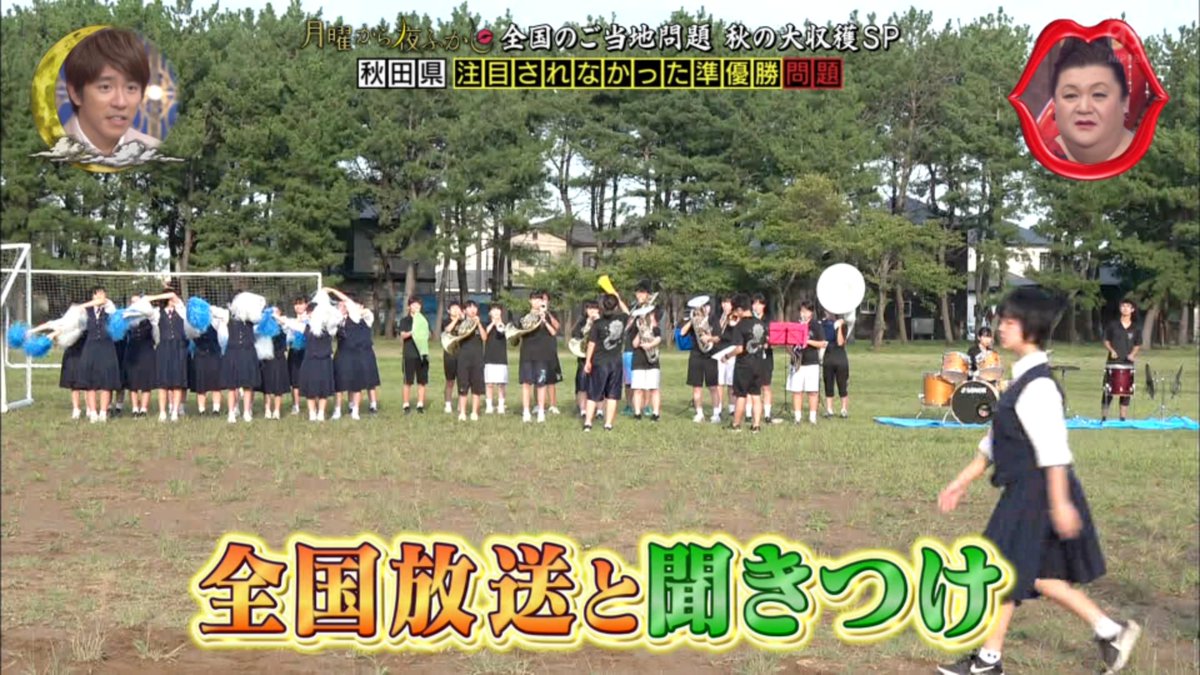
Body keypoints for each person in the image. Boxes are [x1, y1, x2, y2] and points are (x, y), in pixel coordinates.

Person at [936, 287, 1140, 675]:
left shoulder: (1040, 386)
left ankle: (988, 661)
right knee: (1039, 575)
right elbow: (993, 444)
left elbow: (1054, 451)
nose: (1001, 327)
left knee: (1002, 570)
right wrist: (959, 483)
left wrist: (1060, 504)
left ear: (1029, 328)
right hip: (1026, 492)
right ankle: (1111, 632)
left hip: (1039, 494)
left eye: (1009, 321)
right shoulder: (1020, 381)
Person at [61, 28, 161, 157]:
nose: (121, 103)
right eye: (105, 87)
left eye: (131, 88)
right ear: (75, 93)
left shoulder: (156, 152)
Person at [1049, 37, 1135, 165]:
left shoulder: (1146, 154)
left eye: (1098, 94)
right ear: (1055, 103)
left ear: (1125, 103)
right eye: (1070, 95)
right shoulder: (1046, 153)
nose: (1084, 108)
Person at [75, 287, 122, 423]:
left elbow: (103, 301)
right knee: (90, 382)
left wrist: (82, 306)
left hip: (106, 347)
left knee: (106, 381)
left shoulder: (109, 307)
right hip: (91, 347)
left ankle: (103, 412)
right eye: (97, 294)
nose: (101, 296)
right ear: (93, 296)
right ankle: (93, 412)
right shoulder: (86, 312)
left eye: (103, 293)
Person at [583, 294, 627, 432]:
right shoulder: (622, 319)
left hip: (599, 362)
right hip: (616, 363)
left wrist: (588, 361)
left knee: (593, 394)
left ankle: (588, 423)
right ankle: (608, 424)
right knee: (612, 395)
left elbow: (591, 344)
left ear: (602, 306)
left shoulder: (598, 323)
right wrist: (619, 298)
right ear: (616, 306)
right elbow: (627, 312)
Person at [724, 294, 767, 433]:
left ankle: (736, 424)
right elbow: (764, 343)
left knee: (741, 395)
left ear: (740, 310)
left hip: (744, 365)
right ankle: (756, 426)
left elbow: (739, 349)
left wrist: (727, 356)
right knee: (756, 395)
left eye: (736, 310)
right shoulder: (760, 323)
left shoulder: (740, 326)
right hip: (759, 363)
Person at [221, 294, 262, 423]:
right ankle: (231, 412)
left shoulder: (252, 317)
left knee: (247, 384)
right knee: (232, 386)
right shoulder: (227, 315)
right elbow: (214, 311)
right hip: (232, 352)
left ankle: (246, 412)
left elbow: (261, 313)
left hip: (248, 352)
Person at [518, 291, 557, 424]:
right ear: (530, 301)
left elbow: (553, 332)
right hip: (526, 354)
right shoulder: (524, 316)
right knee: (526, 383)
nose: (536, 302)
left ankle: (541, 411)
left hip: (542, 355)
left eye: (539, 300)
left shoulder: (545, 315)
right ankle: (526, 411)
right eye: (534, 299)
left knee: (541, 383)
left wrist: (544, 320)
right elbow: (518, 333)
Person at [680, 299, 722, 423]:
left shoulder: (713, 319)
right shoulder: (694, 320)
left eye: (704, 307)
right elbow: (682, 332)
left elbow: (718, 338)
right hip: (696, 355)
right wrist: (692, 320)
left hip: (710, 355)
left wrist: (709, 338)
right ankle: (699, 413)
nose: (702, 309)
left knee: (713, 386)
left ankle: (716, 414)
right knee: (696, 386)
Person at [786, 301, 827, 425]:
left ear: (811, 312)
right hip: (797, 362)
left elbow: (822, 343)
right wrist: (792, 353)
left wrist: (807, 341)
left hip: (811, 362)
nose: (803, 313)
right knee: (797, 390)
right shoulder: (795, 325)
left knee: (812, 391)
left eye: (806, 311)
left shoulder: (816, 325)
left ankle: (812, 418)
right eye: (802, 310)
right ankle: (797, 418)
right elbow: (788, 344)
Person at [1101, 298, 1141, 422]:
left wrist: (1133, 354)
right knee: (1108, 390)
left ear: (1132, 310)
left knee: (1126, 391)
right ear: (1120, 309)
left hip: (1127, 364)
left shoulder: (1135, 327)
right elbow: (1106, 340)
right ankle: (1104, 417)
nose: (1125, 308)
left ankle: (1122, 418)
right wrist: (1111, 350)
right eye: (1123, 306)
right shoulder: (1112, 325)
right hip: (1113, 363)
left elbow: (1137, 344)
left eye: (1128, 306)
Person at [153, 291, 188, 422]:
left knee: (177, 382)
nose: (175, 299)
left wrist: (169, 294)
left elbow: (173, 295)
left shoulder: (181, 310)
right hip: (164, 348)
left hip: (178, 348)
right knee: (163, 383)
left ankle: (175, 412)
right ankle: (162, 412)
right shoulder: (157, 313)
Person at [122, 293, 156, 418]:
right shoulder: (127, 319)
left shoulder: (150, 318)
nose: (135, 304)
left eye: (137, 301)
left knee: (146, 381)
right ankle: (135, 408)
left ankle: (143, 409)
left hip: (147, 351)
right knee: (133, 382)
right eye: (133, 302)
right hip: (132, 352)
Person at [622, 282, 653, 416]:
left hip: (645, 347)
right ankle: (629, 405)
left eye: (643, 292)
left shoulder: (652, 308)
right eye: (638, 292)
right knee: (628, 381)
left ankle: (646, 406)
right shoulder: (633, 308)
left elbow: (654, 326)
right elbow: (626, 325)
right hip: (629, 348)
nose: (640, 295)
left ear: (648, 295)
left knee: (645, 381)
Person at [397, 296, 429, 414]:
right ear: (409, 307)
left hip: (422, 354)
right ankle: (406, 404)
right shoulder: (405, 320)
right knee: (408, 381)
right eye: (413, 305)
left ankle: (420, 405)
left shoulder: (423, 320)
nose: (416, 307)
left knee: (422, 381)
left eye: (418, 305)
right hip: (409, 354)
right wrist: (413, 332)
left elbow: (428, 334)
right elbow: (403, 335)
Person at [629, 309, 663, 422]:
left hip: (652, 360)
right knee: (638, 389)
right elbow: (634, 344)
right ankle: (637, 413)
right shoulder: (636, 328)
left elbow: (658, 338)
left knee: (654, 388)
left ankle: (655, 413)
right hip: (638, 361)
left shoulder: (655, 327)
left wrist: (650, 344)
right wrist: (640, 330)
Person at [572, 301, 601, 418]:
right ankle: (583, 410)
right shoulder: (582, 322)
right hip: (583, 358)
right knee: (582, 384)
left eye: (595, 308)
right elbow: (575, 334)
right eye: (589, 308)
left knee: (599, 384)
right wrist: (588, 323)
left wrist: (598, 321)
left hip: (599, 356)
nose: (592, 311)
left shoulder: (602, 321)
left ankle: (599, 410)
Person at [751, 294, 776, 423]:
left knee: (766, 385)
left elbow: (775, 340)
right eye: (754, 303)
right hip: (751, 356)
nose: (756, 306)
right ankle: (749, 413)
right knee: (751, 385)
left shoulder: (769, 320)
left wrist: (769, 342)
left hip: (766, 355)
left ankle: (767, 414)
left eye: (759, 303)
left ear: (764, 305)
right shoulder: (749, 320)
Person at [820, 310, 850, 419]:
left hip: (840, 358)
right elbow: (823, 339)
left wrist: (839, 327)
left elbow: (840, 342)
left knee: (842, 385)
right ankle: (829, 409)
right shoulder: (824, 324)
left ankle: (844, 409)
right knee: (828, 384)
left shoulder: (843, 325)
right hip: (828, 357)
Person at [483, 303, 508, 415]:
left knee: (501, 384)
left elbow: (504, 333)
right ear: (490, 313)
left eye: (498, 309)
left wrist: (499, 323)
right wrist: (493, 323)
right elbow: (484, 335)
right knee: (489, 383)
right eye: (494, 310)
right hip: (489, 357)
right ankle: (489, 405)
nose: (496, 312)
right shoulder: (486, 324)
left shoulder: (504, 324)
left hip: (501, 358)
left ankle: (501, 405)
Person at [286, 297, 308, 415]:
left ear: (306, 305)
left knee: (310, 377)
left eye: (301, 303)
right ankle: (296, 405)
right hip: (294, 352)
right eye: (296, 304)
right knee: (295, 380)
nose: (298, 306)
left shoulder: (310, 319)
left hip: (308, 351)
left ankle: (313, 403)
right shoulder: (291, 321)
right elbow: (288, 338)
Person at [442, 300, 463, 414]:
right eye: (453, 308)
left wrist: (464, 319)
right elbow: (447, 330)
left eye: (457, 308)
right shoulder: (446, 321)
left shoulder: (464, 321)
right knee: (450, 381)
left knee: (462, 381)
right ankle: (448, 404)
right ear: (448, 310)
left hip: (462, 355)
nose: (456, 310)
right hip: (449, 355)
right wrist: (456, 319)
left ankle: (461, 404)